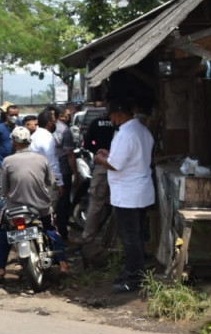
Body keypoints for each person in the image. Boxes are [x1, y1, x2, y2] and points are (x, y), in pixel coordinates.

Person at [0, 125, 68, 280]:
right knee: (51, 229)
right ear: (30, 141)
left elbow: (5, 189)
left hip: (15, 208)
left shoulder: (7, 161)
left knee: (2, 231)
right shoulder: (42, 160)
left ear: (13, 142)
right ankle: (63, 264)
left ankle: (0, 269)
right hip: (41, 207)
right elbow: (49, 181)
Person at [94, 99, 155, 293]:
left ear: (119, 114)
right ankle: (134, 271)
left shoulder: (125, 133)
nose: (111, 119)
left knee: (130, 237)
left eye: (111, 115)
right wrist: (109, 154)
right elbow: (128, 157)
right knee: (136, 235)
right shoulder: (142, 130)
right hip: (140, 190)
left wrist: (100, 158)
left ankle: (134, 278)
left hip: (128, 193)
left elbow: (116, 164)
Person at [80, 108, 116, 252]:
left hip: (102, 165)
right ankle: (114, 238)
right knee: (117, 202)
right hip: (120, 167)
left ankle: (88, 237)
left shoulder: (96, 123)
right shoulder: (121, 126)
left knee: (95, 202)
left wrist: (98, 150)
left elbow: (87, 143)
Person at [0, 104, 20, 226]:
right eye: (12, 115)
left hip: (18, 164)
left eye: (16, 115)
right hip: (3, 165)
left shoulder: (20, 128)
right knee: (3, 193)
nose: (14, 117)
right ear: (6, 115)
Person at [52, 104, 77, 241]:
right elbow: (70, 154)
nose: (68, 118)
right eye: (66, 115)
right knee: (63, 205)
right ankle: (62, 234)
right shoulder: (65, 130)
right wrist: (76, 173)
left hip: (48, 173)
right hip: (63, 171)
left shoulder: (43, 130)